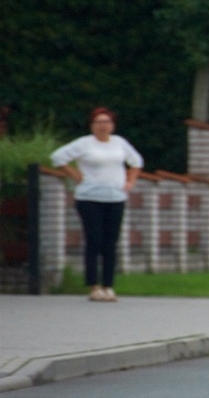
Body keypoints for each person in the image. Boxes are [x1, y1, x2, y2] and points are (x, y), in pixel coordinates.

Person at [50, 107, 144, 302]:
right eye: (99, 122)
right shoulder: (84, 144)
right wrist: (75, 175)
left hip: (115, 198)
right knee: (94, 241)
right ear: (92, 126)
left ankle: (108, 286)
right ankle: (94, 286)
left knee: (111, 243)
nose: (103, 126)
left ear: (112, 125)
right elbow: (58, 157)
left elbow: (136, 161)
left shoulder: (120, 143)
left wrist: (130, 182)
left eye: (106, 122)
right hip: (89, 198)